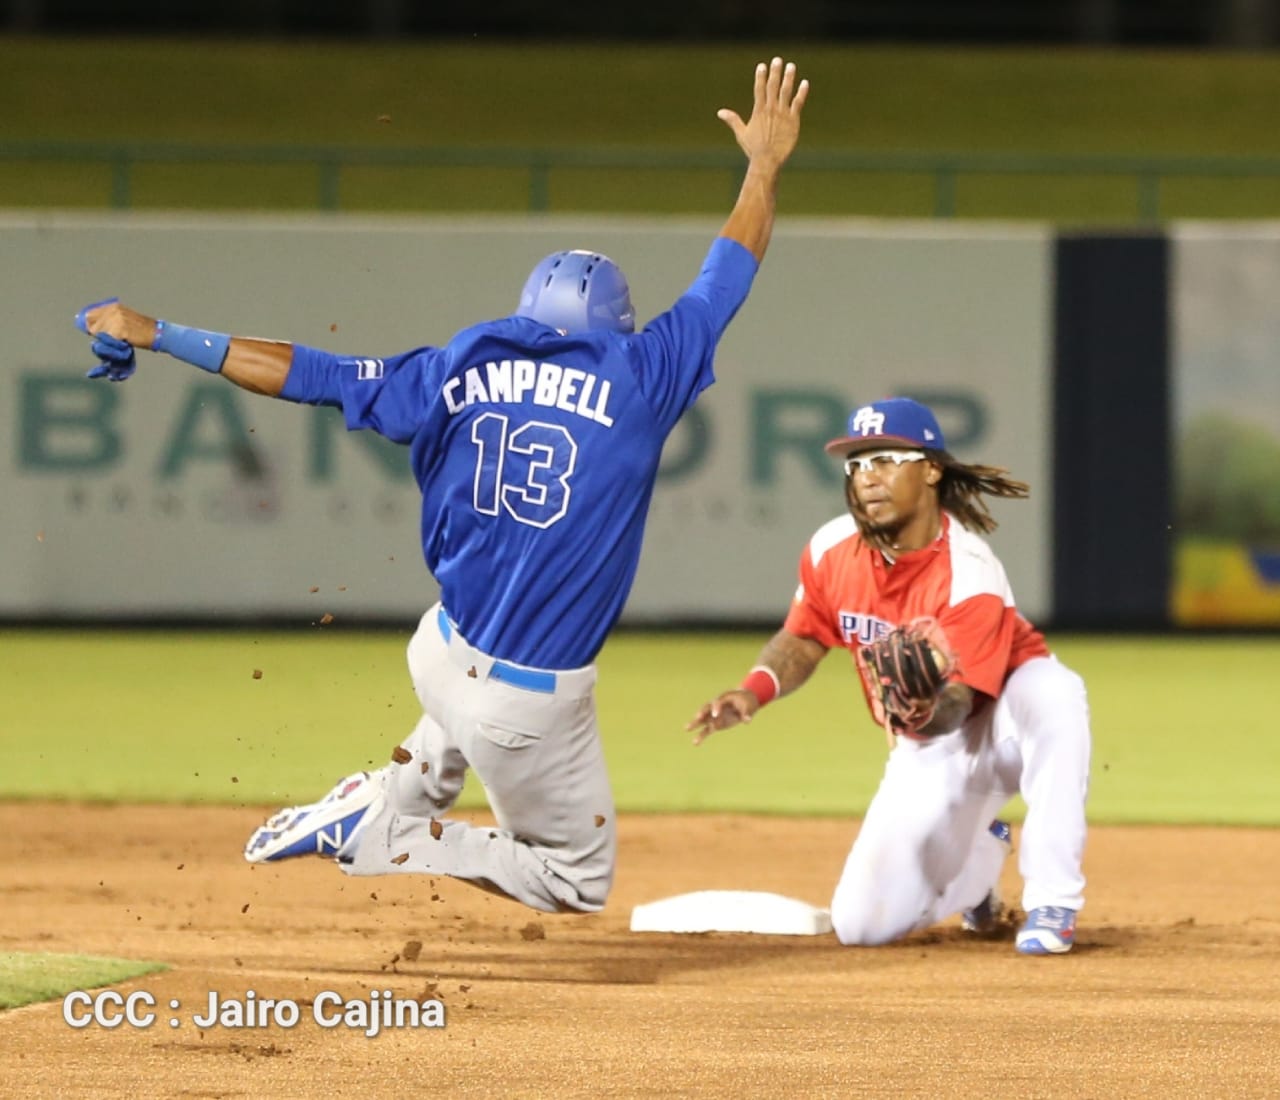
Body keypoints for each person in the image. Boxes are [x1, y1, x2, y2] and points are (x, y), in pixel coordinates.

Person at [75, 57, 808, 915]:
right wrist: (763, 167)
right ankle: (381, 831)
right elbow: (727, 274)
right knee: (576, 880)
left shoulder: (458, 364)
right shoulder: (642, 374)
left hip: (439, 649)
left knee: (445, 742)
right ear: (616, 325)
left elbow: (310, 373)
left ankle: (384, 797)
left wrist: (160, 332)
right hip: (527, 699)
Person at [686, 397, 1091, 954]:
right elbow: (804, 636)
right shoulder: (831, 549)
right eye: (857, 464)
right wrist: (751, 691)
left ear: (931, 470)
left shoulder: (968, 571)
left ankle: (1053, 901)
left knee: (1054, 693)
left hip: (1002, 728)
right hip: (930, 744)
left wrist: (925, 708)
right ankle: (979, 864)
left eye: (885, 460)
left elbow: (959, 700)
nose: (867, 477)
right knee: (862, 927)